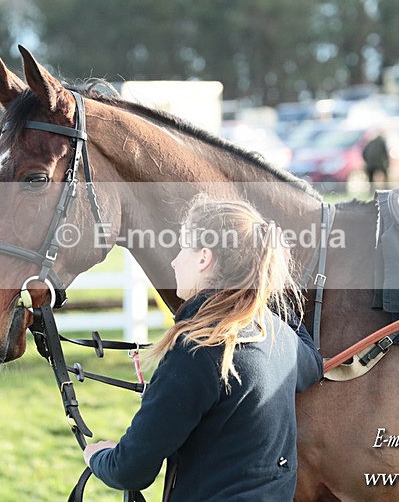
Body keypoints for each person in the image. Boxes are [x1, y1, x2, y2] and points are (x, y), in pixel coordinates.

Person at [84, 196, 323, 500]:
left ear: (203, 258)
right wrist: (265, 289)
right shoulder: (279, 335)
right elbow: (312, 363)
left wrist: (96, 456)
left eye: (183, 247)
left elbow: (130, 470)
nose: (174, 260)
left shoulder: (197, 350)